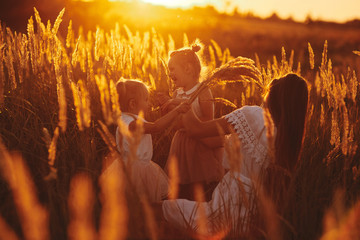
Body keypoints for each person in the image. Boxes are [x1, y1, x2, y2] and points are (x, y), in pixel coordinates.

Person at [161, 73, 309, 237]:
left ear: (274, 96)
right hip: (251, 217)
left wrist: (184, 104)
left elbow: (196, 129)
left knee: (160, 209)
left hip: (225, 207)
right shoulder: (288, 140)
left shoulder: (253, 115)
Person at [102, 79, 190, 202]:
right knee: (141, 202)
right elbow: (156, 127)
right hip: (135, 170)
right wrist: (177, 111)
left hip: (133, 166)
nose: (149, 104)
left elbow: (156, 124)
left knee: (135, 202)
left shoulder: (130, 118)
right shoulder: (130, 123)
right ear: (132, 104)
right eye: (146, 100)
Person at [159, 43, 224, 201]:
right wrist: (167, 106)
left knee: (197, 179)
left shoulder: (202, 91)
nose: (169, 74)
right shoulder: (177, 93)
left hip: (198, 143)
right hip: (181, 142)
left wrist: (188, 119)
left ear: (187, 68)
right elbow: (174, 121)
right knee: (179, 178)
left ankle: (198, 203)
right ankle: (181, 202)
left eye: (172, 69)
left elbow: (208, 120)